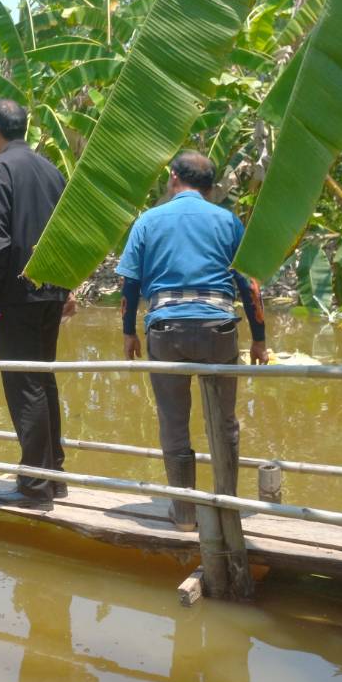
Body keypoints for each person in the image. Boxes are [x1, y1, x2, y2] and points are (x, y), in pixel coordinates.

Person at [116, 151, 267, 529]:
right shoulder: (227, 220)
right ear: (211, 187)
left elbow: (130, 284)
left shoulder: (148, 221)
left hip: (165, 329)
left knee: (173, 422)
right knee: (225, 423)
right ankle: (226, 508)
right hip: (219, 329)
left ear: (172, 178)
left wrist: (128, 333)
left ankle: (184, 513)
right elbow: (249, 286)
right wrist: (260, 339)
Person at [0, 98, 75, 511]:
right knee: (43, 380)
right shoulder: (51, 169)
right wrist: (67, 287)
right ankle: (55, 476)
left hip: (18, 294)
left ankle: (34, 486)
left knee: (25, 384)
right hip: (51, 292)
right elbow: (68, 232)